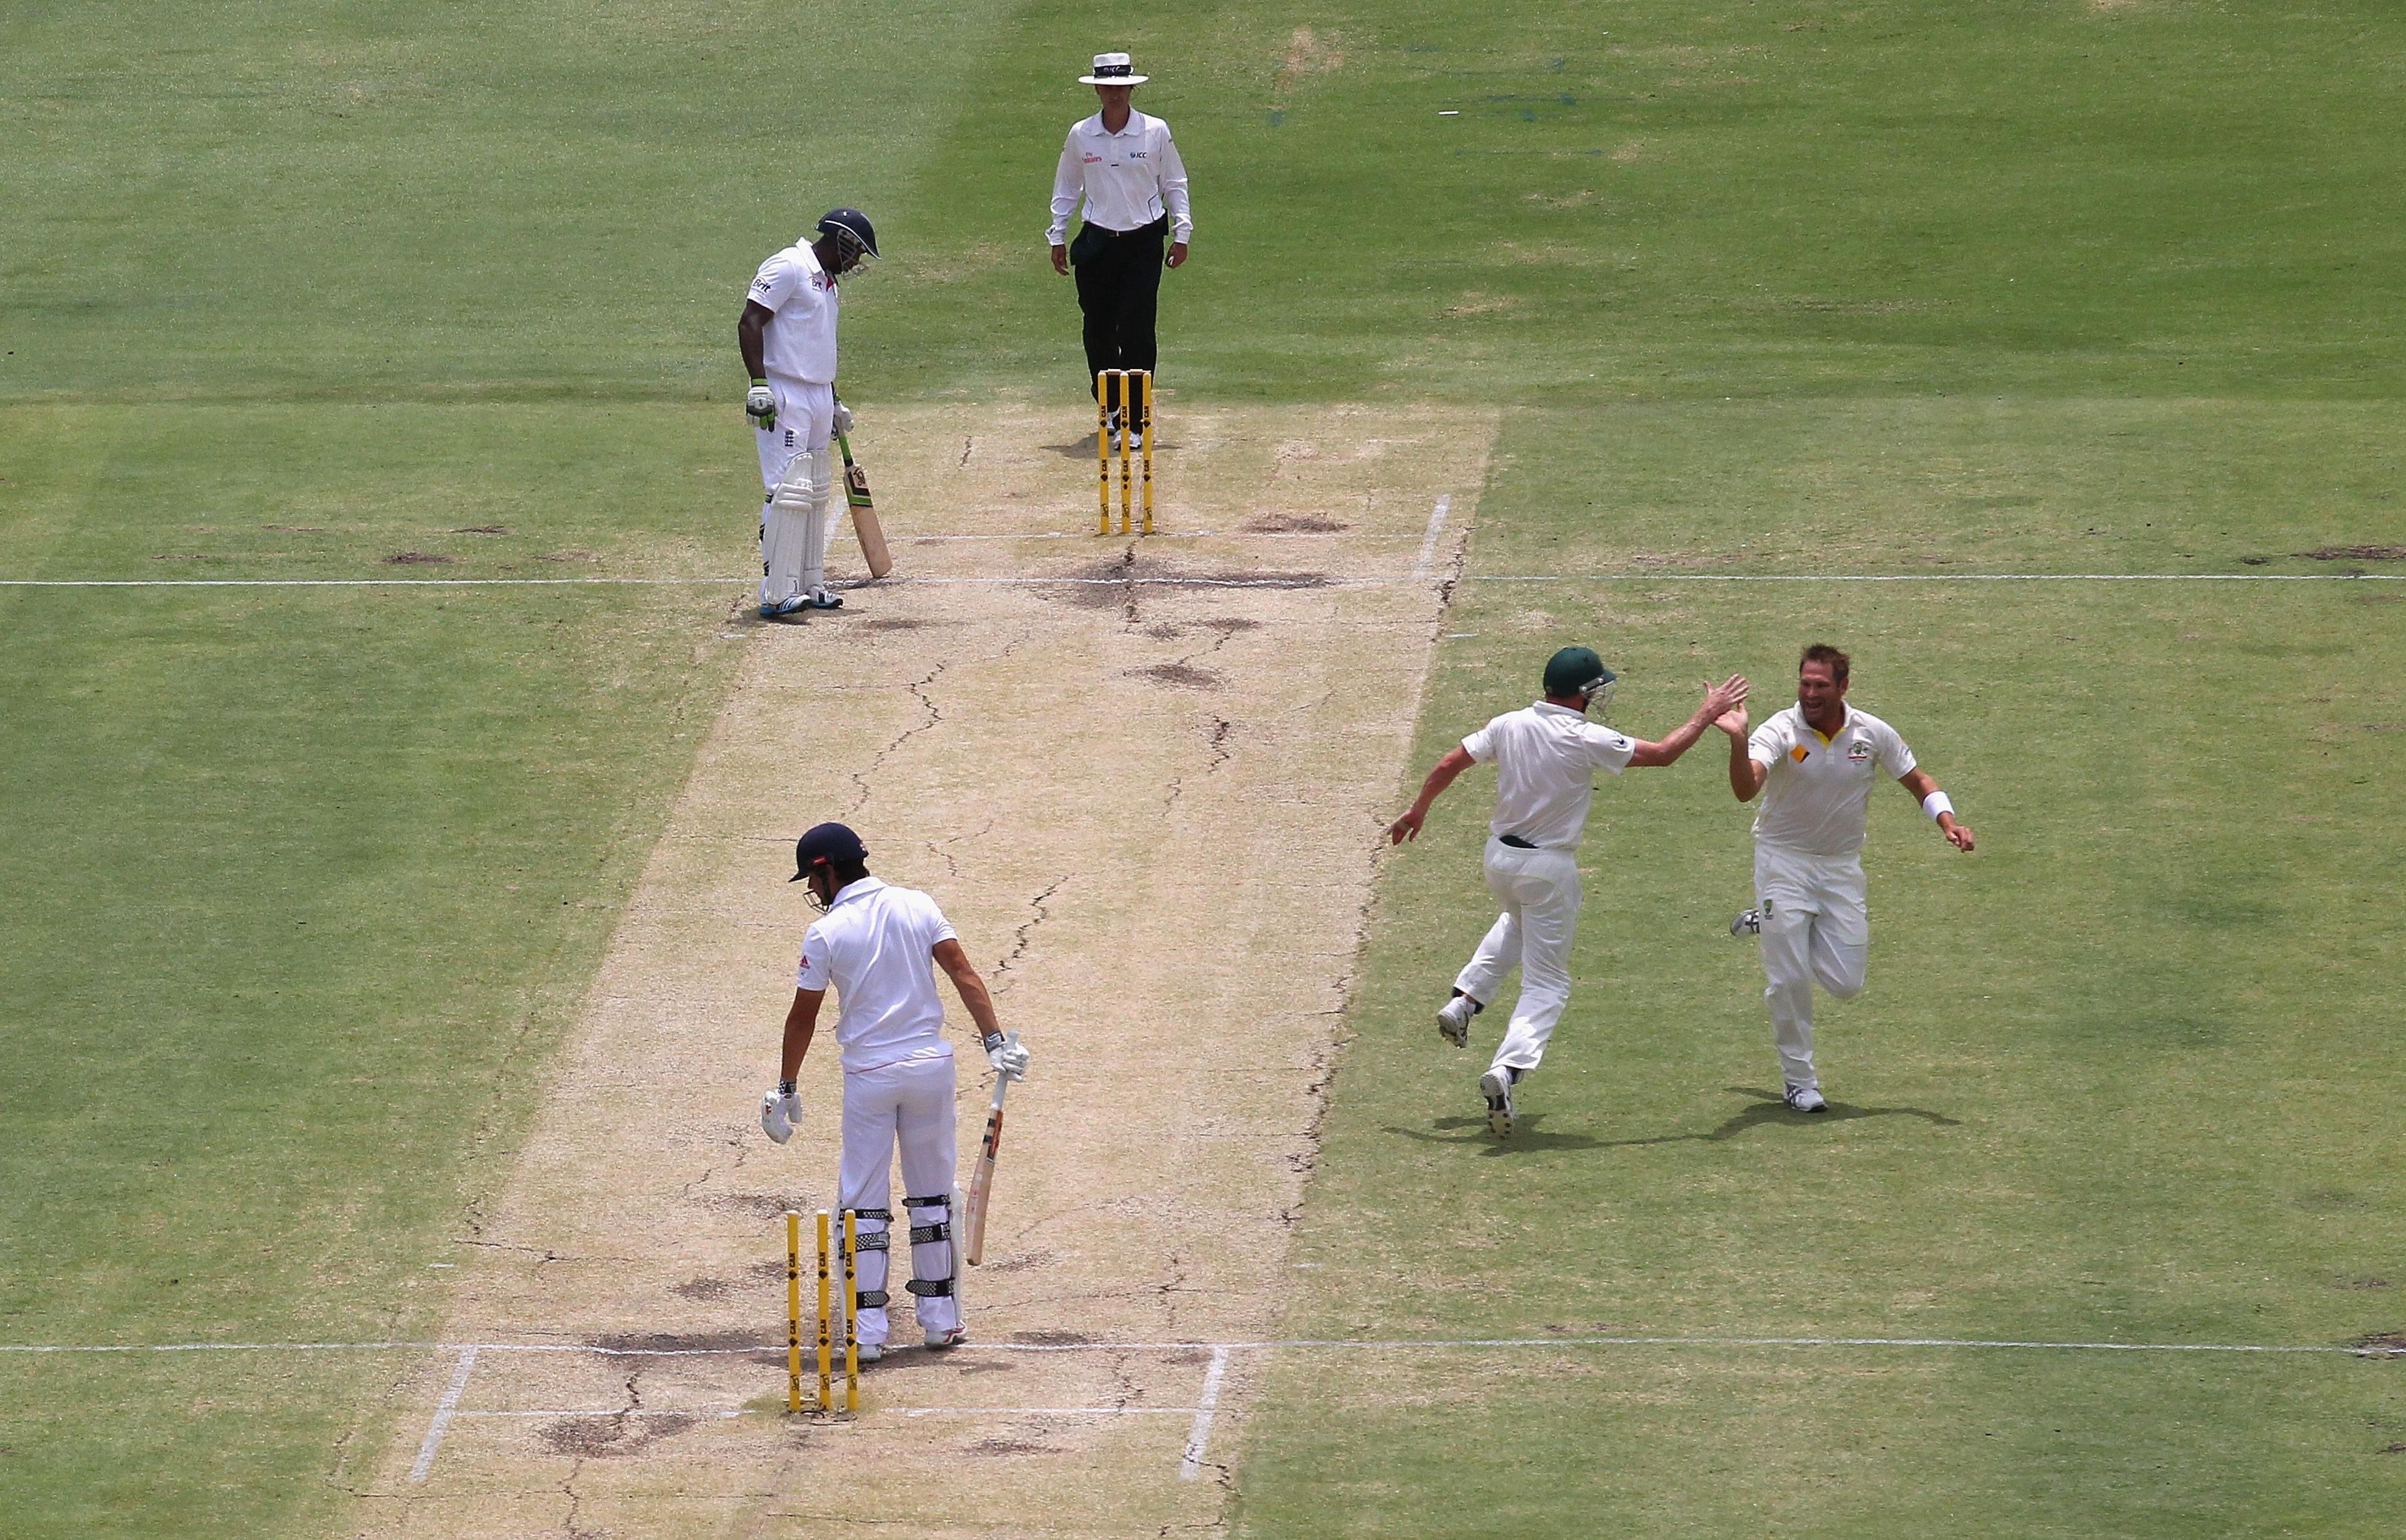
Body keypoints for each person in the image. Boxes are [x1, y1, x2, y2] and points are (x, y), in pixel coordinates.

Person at [1387, 649, 1749, 1137]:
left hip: (1499, 860)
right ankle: (1508, 1070)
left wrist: (1418, 809)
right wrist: (1708, 714)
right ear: (1583, 693)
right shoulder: (1583, 736)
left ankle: (1465, 1001)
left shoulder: (1510, 723)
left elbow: (1450, 763)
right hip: (1548, 868)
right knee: (1548, 983)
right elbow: (1664, 754)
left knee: (1516, 922)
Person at [758, 823, 1031, 1357]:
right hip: (931, 1069)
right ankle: (941, 1320)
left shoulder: (826, 934)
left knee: (862, 1203)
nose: (813, 895)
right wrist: (994, 1042)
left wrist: (787, 1086)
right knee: (933, 1195)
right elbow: (963, 972)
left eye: (811, 883)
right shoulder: (917, 904)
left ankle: (869, 1334)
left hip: (870, 1077)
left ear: (826, 870)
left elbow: (802, 1019)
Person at [1719, 645, 1974, 1112]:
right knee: (1789, 978)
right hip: (1783, 862)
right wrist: (1738, 740)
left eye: (1821, 685)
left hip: (1840, 868)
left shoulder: (1871, 733)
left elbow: (1916, 779)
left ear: (1843, 687)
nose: (1810, 694)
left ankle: (1771, 925)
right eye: (1804, 684)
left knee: (1846, 983)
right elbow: (1745, 788)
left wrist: (1948, 821)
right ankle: (1800, 1081)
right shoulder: (1781, 729)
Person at [737, 209, 878, 620]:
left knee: (815, 487)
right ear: (842, 242)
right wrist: (758, 385)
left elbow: (815, 344)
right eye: (856, 254)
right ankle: (776, 590)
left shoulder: (827, 283)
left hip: (817, 394)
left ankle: (810, 583)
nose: (856, 264)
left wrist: (832, 401)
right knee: (786, 489)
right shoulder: (789, 267)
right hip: (784, 393)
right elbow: (750, 322)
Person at [1046, 52, 1191, 447]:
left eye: (1120, 87)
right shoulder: (1081, 134)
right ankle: (1110, 411)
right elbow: (1067, 187)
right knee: (1098, 329)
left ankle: (1137, 414)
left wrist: (1183, 233)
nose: (1114, 94)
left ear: (1131, 87)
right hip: (1097, 243)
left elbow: (1175, 182)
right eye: (1107, 87)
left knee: (1137, 328)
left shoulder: (1155, 131)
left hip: (1144, 242)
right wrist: (1057, 237)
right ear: (1097, 89)